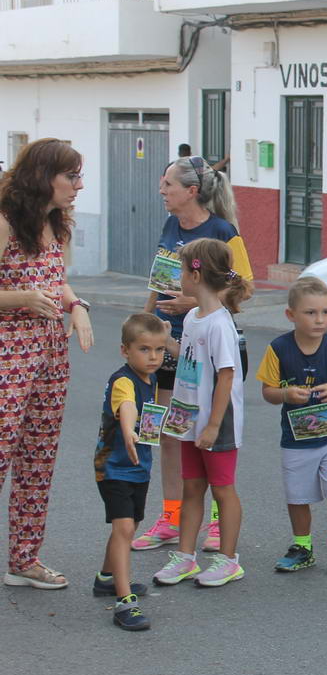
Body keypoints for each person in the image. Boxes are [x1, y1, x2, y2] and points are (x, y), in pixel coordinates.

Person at [133, 156, 252, 554]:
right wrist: (145, 323)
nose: (162, 190)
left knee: (211, 437)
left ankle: (217, 522)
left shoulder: (222, 231)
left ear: (191, 191)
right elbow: (158, 280)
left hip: (209, 345)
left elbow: (245, 288)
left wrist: (196, 303)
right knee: (171, 432)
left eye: (168, 184)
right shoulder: (171, 226)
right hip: (168, 345)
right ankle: (171, 516)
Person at [0, 138, 93, 590]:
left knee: (38, 458)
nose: (79, 185)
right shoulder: (5, 222)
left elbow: (58, 282)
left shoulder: (56, 223)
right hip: (9, 351)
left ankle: (24, 559)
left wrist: (76, 306)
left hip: (51, 351)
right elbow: (31, 291)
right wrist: (22, 298)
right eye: (71, 176)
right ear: (42, 177)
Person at [152, 239, 250, 588]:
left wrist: (212, 425)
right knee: (192, 487)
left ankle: (228, 560)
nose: (178, 277)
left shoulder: (219, 324)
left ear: (196, 275)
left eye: (181, 270)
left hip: (216, 421)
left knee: (223, 490)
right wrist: (169, 343)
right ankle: (186, 557)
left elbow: (227, 375)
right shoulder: (194, 317)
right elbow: (191, 358)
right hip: (189, 418)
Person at [257, 277, 327, 578]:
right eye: (311, 313)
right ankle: (302, 547)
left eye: (326, 312)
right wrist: (285, 394)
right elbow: (267, 392)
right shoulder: (278, 348)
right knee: (297, 496)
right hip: (297, 437)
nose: (320, 320)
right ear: (291, 315)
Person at [93, 314, 164, 629]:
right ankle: (125, 602)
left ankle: (106, 578)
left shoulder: (151, 379)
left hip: (138, 467)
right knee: (124, 529)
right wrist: (128, 431)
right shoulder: (124, 381)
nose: (153, 357)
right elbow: (127, 407)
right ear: (125, 350)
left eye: (159, 350)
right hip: (113, 467)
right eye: (144, 349)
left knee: (130, 525)